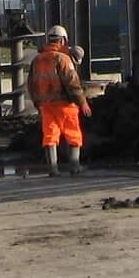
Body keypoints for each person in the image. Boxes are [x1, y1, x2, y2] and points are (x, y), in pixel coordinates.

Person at [26, 23, 90, 176]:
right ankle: (74, 167)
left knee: (50, 135)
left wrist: (37, 103)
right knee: (73, 134)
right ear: (62, 41)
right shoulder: (63, 59)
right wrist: (83, 102)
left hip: (45, 105)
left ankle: (52, 169)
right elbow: (72, 83)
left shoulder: (37, 60)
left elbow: (31, 84)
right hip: (65, 104)